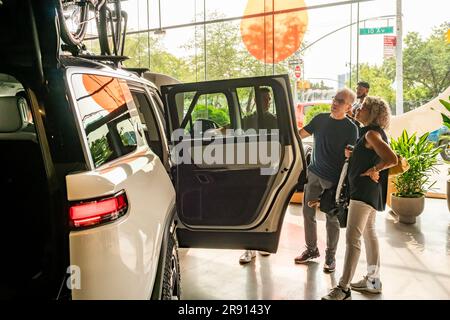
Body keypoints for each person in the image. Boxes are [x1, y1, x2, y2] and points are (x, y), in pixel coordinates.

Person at [322, 96, 397, 300]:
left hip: (363, 192)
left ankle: (343, 288)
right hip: (369, 191)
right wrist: (354, 154)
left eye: (363, 107)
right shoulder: (370, 134)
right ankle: (373, 281)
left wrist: (375, 168)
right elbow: (372, 155)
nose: (358, 109)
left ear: (372, 113)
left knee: (352, 238)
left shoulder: (371, 134)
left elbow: (391, 158)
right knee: (369, 233)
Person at [294, 88, 358, 273]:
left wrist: (351, 154)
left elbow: (351, 156)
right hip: (313, 173)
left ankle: (331, 256)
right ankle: (312, 250)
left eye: (340, 101)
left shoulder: (350, 128)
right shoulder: (320, 119)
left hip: (333, 181)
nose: (335, 103)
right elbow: (300, 134)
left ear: (348, 107)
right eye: (334, 99)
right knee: (307, 213)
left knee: (332, 219)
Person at [239, 87, 276, 265]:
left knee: (265, 205)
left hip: (268, 166)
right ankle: (248, 248)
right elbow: (231, 128)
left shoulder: (275, 120)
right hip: (251, 167)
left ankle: (261, 245)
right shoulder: (247, 120)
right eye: (264, 99)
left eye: (268, 99)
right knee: (249, 206)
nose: (267, 102)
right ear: (256, 100)